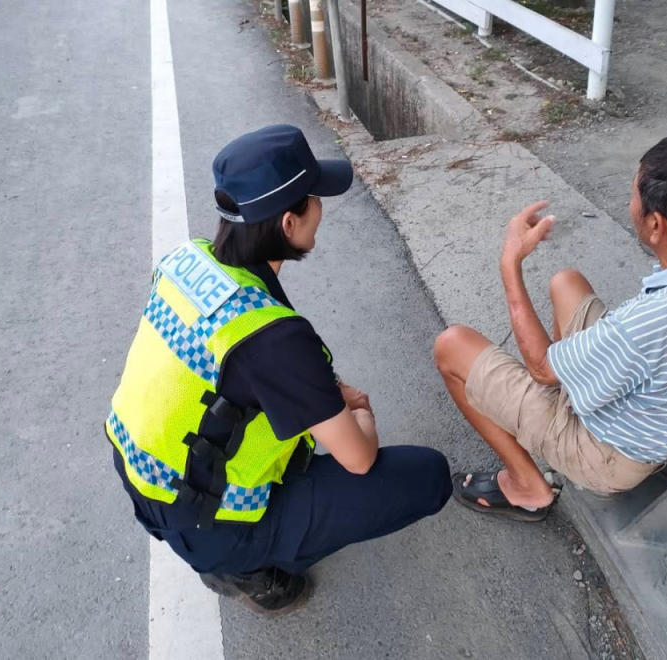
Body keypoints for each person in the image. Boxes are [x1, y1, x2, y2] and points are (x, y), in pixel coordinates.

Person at [106, 124, 451, 615]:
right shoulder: (275, 338)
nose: (321, 209)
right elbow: (358, 458)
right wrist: (363, 416)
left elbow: (232, 370)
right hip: (202, 521)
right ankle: (250, 569)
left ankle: (228, 549)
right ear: (289, 223)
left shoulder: (188, 260)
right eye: (313, 199)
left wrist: (325, 394)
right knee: (428, 476)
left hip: (142, 475)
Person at [434, 133, 667, 522]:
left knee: (451, 345)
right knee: (565, 282)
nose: (630, 205)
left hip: (610, 457)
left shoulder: (645, 326)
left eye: (634, 198)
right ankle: (567, 397)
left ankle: (529, 486)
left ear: (657, 225)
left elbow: (542, 370)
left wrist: (510, 263)